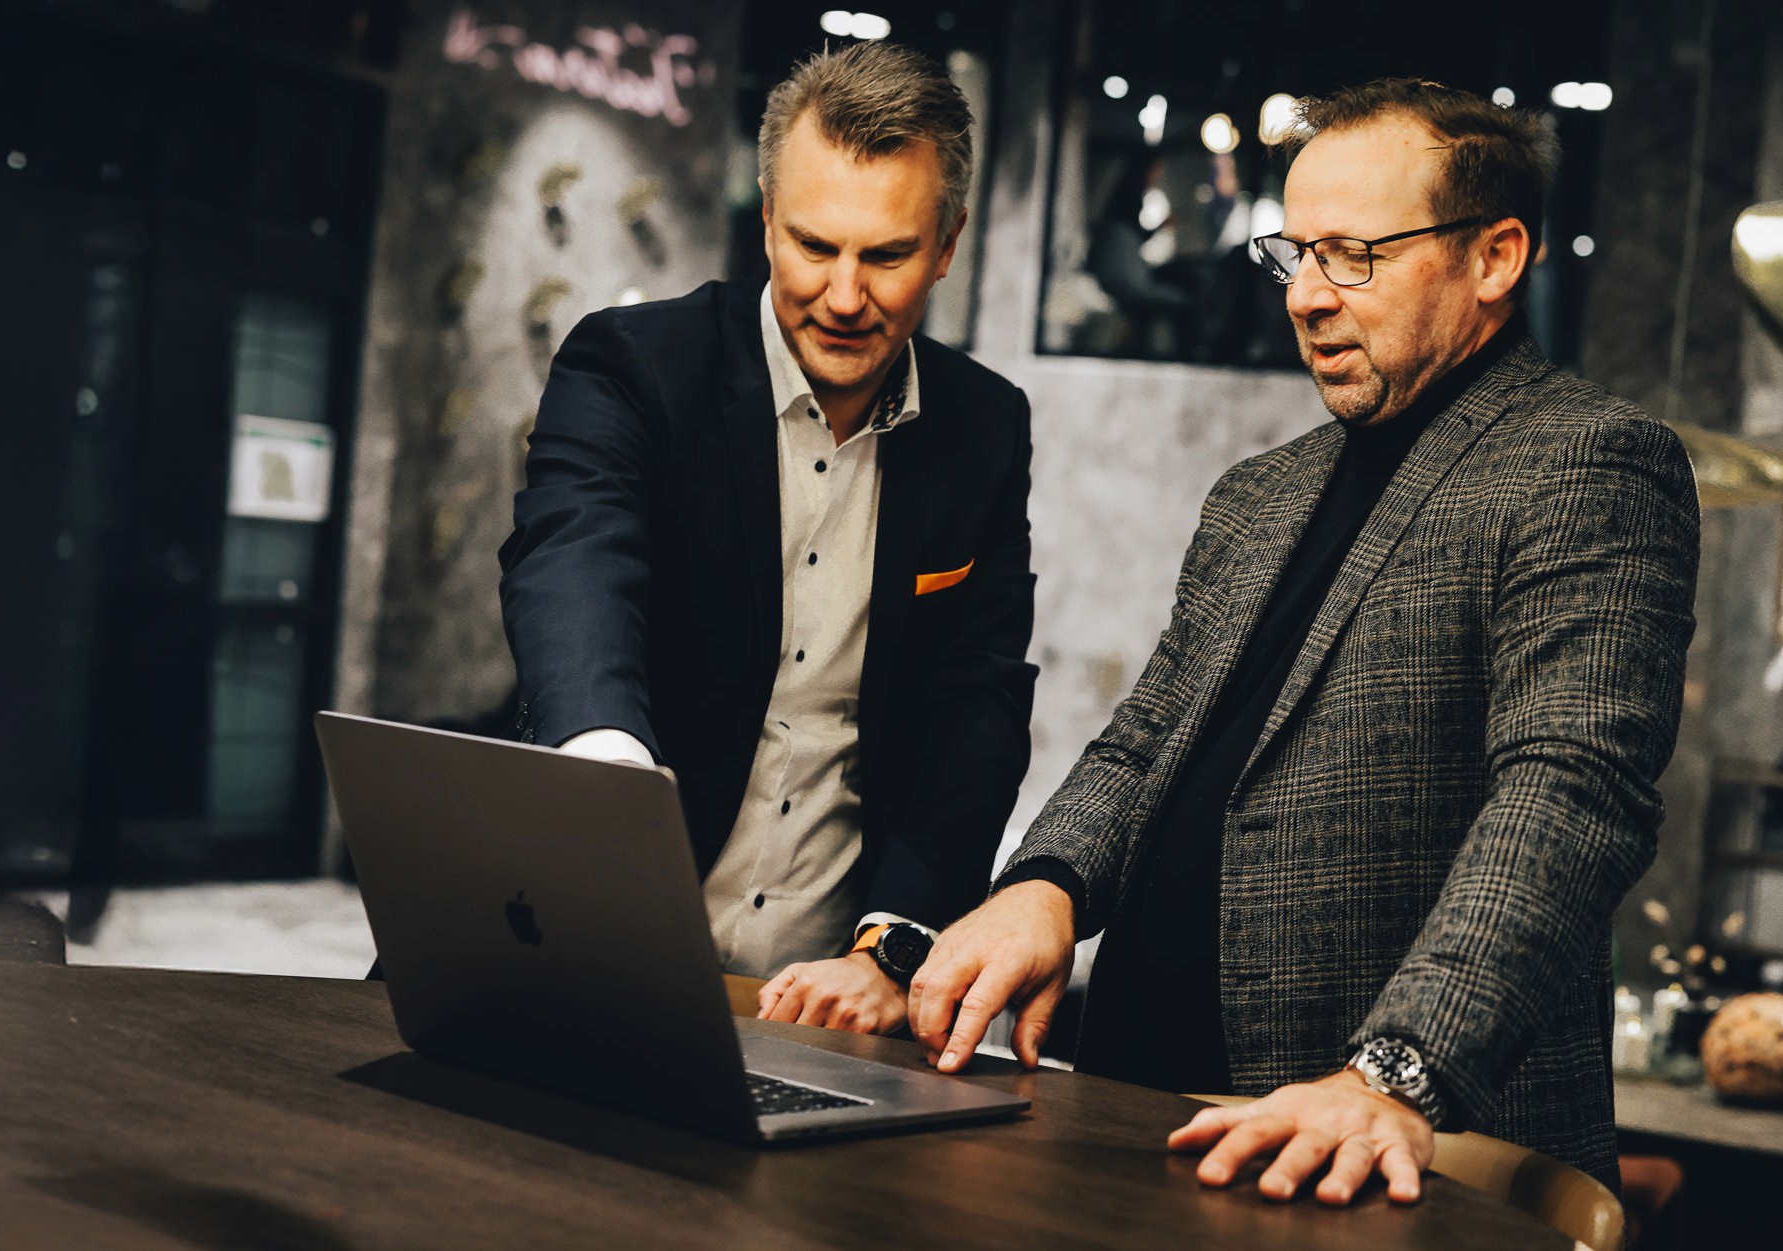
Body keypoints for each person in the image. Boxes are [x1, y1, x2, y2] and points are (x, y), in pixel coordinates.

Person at [907, 78, 1697, 1203]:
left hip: (1383, 1151)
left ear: (1495, 257)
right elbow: (1145, 743)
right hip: (1147, 1111)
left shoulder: (1589, 464)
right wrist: (1046, 886)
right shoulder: (1256, 495)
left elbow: (1569, 794)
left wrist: (1392, 1075)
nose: (1307, 298)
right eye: (1292, 256)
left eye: (1351, 256)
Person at [497, 41, 1033, 1036]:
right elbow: (574, 551)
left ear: (947, 243)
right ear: (765, 220)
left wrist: (894, 942)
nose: (841, 295)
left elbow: (977, 701)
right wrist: (607, 770)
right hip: (588, 941)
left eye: (885, 256)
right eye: (811, 246)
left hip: (813, 1004)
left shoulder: (985, 428)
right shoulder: (635, 366)